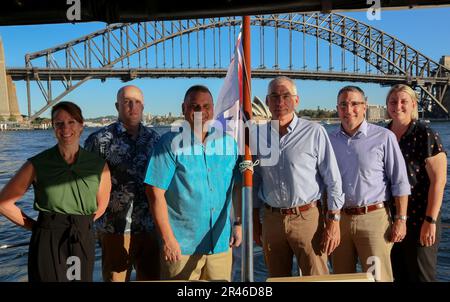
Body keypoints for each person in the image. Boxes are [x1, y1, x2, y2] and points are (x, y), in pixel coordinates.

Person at [0, 101, 111, 282]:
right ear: (53, 128)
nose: (65, 128)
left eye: (71, 122)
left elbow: (102, 204)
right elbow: (4, 203)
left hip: (81, 236)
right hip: (48, 236)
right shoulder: (37, 163)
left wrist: (82, 224)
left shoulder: (98, 165)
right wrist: (36, 227)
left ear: (81, 126)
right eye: (59, 123)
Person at [144, 85, 242, 281]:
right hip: (181, 245)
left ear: (213, 109)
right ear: (183, 108)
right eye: (194, 106)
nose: (201, 112)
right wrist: (168, 239)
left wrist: (238, 223)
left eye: (206, 106)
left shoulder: (229, 143)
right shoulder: (168, 144)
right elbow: (154, 193)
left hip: (220, 244)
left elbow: (237, 187)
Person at [252, 76, 345, 278]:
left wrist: (334, 221)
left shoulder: (314, 132)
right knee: (277, 279)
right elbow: (256, 179)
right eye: (274, 97)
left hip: (307, 218)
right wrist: (254, 220)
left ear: (296, 100)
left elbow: (333, 180)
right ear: (267, 102)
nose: (280, 102)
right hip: (271, 219)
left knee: (316, 277)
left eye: (286, 96)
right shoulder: (256, 135)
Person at [329, 85, 411, 282]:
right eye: (343, 105)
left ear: (364, 106)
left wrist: (401, 219)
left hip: (374, 219)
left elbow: (399, 181)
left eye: (354, 104)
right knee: (342, 278)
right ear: (337, 108)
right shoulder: (328, 140)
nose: (349, 110)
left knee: (378, 278)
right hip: (339, 221)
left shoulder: (384, 137)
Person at [84, 85, 160, 281]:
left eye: (137, 102)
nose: (132, 106)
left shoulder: (156, 140)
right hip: (114, 230)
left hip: (150, 227)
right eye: (127, 102)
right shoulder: (99, 140)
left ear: (143, 107)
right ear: (117, 106)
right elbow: (87, 185)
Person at [386, 84, 447, 282]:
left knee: (421, 276)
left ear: (413, 104)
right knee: (395, 276)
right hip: (389, 221)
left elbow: (439, 181)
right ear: (387, 105)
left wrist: (430, 221)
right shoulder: (382, 135)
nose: (398, 106)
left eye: (404, 101)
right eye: (393, 101)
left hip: (420, 219)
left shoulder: (425, 134)